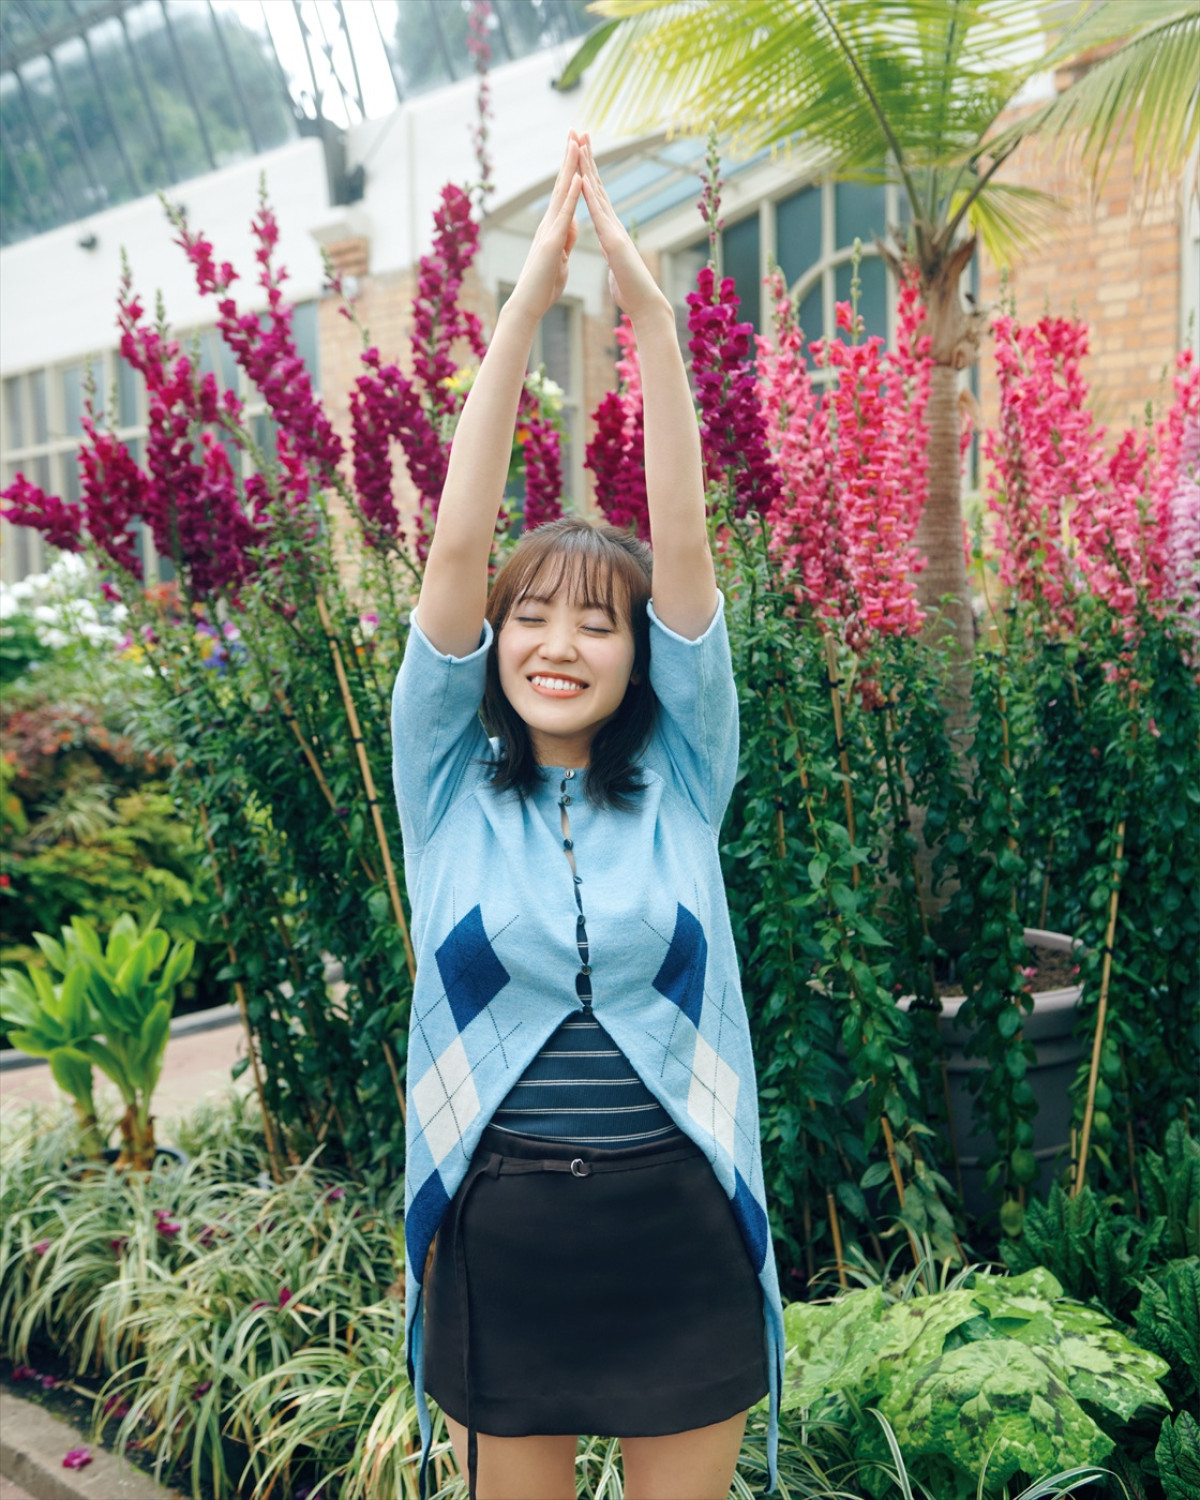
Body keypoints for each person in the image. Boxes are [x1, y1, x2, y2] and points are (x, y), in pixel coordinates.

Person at [392, 133, 784, 1500]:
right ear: (498, 641)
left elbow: (683, 551)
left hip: (676, 1227)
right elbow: (453, 547)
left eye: (599, 626)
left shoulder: (684, 781)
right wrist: (525, 304)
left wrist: (649, 312)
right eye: (534, 614)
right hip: (505, 1236)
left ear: (640, 665)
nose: (561, 643)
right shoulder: (444, 789)